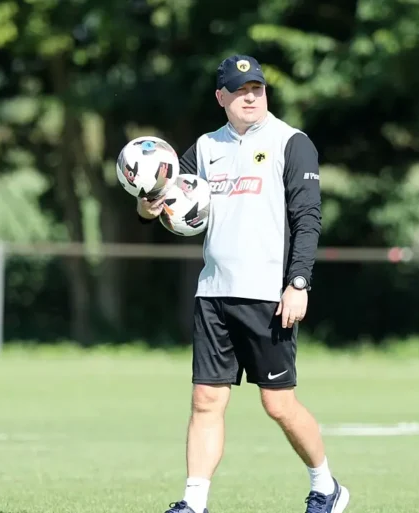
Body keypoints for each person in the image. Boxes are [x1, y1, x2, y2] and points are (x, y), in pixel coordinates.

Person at [136, 54, 350, 513]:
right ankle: (194, 502)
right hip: (213, 292)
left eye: (257, 89)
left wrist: (299, 282)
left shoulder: (291, 142)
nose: (250, 97)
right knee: (205, 400)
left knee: (279, 405)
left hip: (268, 295)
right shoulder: (205, 147)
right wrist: (147, 206)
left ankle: (327, 487)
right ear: (221, 97)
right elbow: (165, 196)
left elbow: (308, 218)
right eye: (239, 91)